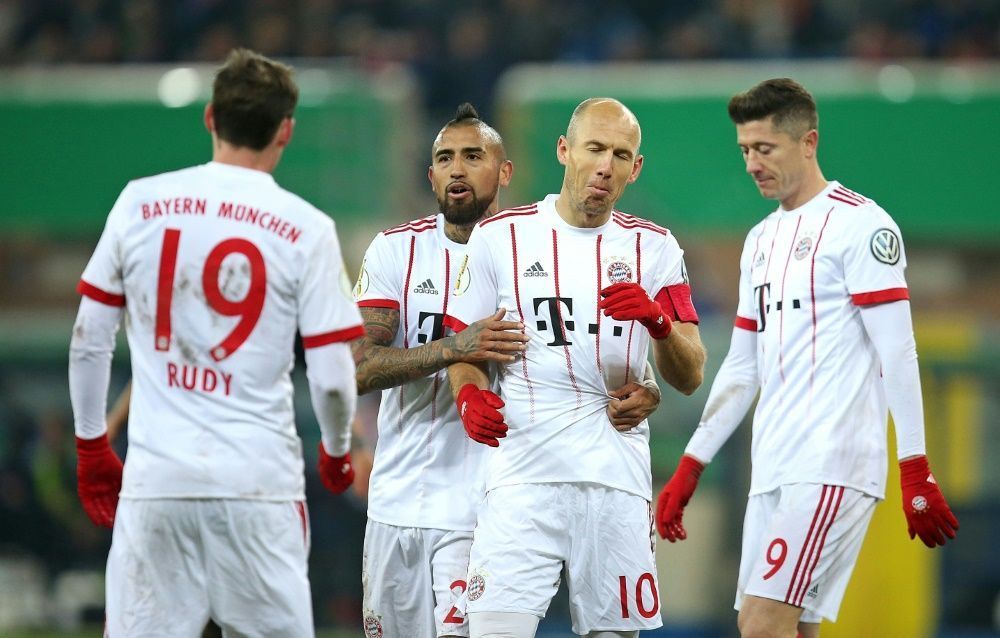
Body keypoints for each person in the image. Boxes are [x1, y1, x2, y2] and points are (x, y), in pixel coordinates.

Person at [68, 48, 362, 637]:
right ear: (286, 130)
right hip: (258, 487)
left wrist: (91, 446)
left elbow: (88, 338)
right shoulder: (307, 228)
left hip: (157, 485)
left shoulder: (139, 202)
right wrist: (334, 452)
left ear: (209, 118)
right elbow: (331, 376)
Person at [655, 78, 959, 638]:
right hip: (773, 467)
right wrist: (692, 463)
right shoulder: (760, 240)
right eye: (744, 150)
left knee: (763, 625)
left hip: (830, 464)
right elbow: (743, 367)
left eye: (764, 149)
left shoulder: (860, 225)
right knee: (789, 628)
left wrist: (915, 466)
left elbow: (899, 350)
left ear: (808, 142)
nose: (751, 163)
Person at [352, 102, 666, 638]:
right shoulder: (394, 250)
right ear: (429, 175)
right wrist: (455, 350)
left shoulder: (526, 244)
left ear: (504, 172)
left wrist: (650, 384)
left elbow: (585, 339)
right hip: (395, 497)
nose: (457, 169)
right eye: (445, 158)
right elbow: (355, 369)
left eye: (473, 156)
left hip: (488, 498)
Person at [444, 97, 707, 638]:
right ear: (565, 151)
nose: (605, 165)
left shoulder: (654, 248)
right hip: (522, 478)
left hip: (615, 481)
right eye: (594, 148)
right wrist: (468, 395)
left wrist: (659, 324)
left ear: (636, 169)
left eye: (620, 154)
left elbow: (691, 372)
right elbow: (462, 348)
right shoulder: (499, 238)